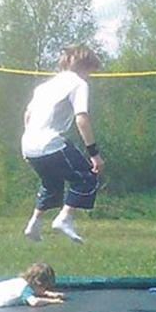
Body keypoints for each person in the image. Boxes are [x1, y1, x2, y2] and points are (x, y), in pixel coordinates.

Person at [20, 44, 104, 243]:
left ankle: (34, 223)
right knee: (87, 177)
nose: (89, 77)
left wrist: (27, 141)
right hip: (50, 142)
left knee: (51, 183)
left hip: (29, 144)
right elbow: (81, 119)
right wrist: (94, 154)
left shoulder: (43, 87)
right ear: (85, 66)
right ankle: (64, 218)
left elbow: (27, 115)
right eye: (90, 72)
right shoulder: (78, 84)